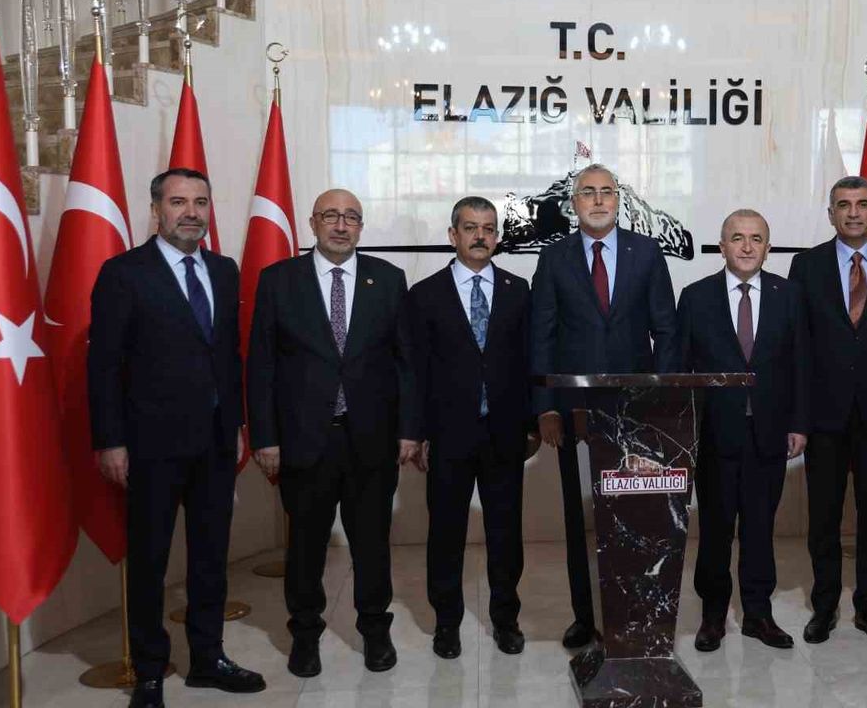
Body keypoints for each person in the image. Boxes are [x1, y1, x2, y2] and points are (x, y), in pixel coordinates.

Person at [89, 168, 265, 708]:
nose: (191, 212)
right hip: (150, 446)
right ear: (156, 210)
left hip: (215, 442)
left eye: (201, 202)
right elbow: (103, 366)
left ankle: (208, 659)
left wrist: (237, 423)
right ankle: (149, 671)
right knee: (150, 561)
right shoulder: (123, 273)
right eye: (178, 202)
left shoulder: (224, 270)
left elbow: (228, 356)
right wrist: (111, 441)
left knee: (211, 558)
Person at [247, 189, 416, 678]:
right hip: (304, 441)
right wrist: (265, 437)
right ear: (312, 223)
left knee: (372, 545)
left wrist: (409, 430)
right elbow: (261, 366)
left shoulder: (388, 279)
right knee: (305, 547)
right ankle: (305, 635)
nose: (341, 226)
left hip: (372, 440)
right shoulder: (279, 281)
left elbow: (406, 363)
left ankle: (375, 630)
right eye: (331, 216)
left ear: (361, 226)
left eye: (351, 218)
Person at [529, 163, 678, 648]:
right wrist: (545, 407)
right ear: (574, 203)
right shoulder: (553, 257)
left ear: (619, 200)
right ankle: (584, 615)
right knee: (580, 518)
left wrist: (660, 402)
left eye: (606, 192)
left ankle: (633, 612)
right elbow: (541, 335)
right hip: (572, 412)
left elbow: (666, 331)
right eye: (588, 192)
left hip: (635, 413)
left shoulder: (646, 252)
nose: (598, 200)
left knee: (634, 517)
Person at [788, 176, 867, 646]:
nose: (854, 212)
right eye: (844, 205)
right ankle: (824, 607)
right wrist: (798, 417)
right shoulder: (806, 265)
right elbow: (797, 346)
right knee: (823, 516)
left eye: (862, 204)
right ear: (831, 213)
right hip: (824, 416)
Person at [403, 197, 532, 660]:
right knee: (446, 533)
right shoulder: (424, 294)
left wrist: (533, 424)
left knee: (505, 533)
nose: (480, 236)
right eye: (471, 227)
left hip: (504, 434)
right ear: (452, 234)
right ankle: (447, 623)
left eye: (489, 228)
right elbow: (413, 370)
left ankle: (506, 619)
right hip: (447, 436)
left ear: (497, 236)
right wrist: (416, 431)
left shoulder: (519, 290)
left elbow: (528, 363)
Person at [678, 209, 809, 651]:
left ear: (768, 248)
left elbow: (801, 365)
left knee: (759, 528)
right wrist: (683, 431)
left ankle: (758, 614)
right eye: (738, 238)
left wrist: (799, 424)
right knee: (716, 529)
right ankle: (713, 616)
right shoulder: (696, 297)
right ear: (722, 245)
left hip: (769, 433)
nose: (747, 246)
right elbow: (679, 368)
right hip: (714, 435)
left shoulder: (789, 296)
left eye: (756, 238)